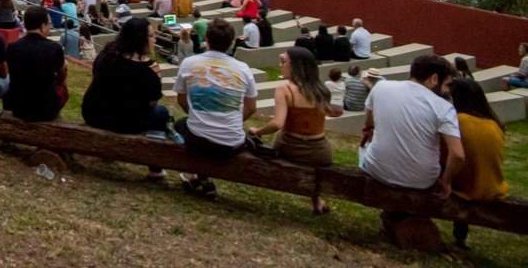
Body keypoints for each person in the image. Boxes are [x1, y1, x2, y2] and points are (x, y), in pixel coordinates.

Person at [359, 54, 462, 207]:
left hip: (377, 170)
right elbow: (458, 155)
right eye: (447, 84)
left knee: (363, 148)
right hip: (422, 181)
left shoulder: (380, 87)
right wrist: (446, 182)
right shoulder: (444, 108)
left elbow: (368, 122)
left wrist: (368, 130)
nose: (448, 90)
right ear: (434, 79)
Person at [173, 19, 258, 197]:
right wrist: (229, 121)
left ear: (206, 39)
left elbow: (181, 100)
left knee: (180, 125)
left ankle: (195, 175)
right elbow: (251, 108)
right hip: (232, 142)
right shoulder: (243, 69)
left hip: (198, 139)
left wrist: (198, 116)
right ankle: (200, 178)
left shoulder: (189, 63)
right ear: (232, 42)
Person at [82, 17, 174, 178]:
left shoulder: (106, 55)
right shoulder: (150, 69)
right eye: (151, 36)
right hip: (126, 123)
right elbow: (152, 103)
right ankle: (155, 168)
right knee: (161, 112)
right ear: (141, 40)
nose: (155, 39)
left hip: (94, 113)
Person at [252, 47, 340, 213]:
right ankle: (317, 201)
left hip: (290, 146)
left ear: (296, 66)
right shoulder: (321, 91)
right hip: (320, 151)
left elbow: (277, 123)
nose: (280, 65)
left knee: (277, 136)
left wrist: (258, 131)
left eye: (283, 61)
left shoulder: (284, 89)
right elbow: (330, 112)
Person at [445, 76, 507, 249]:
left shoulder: (457, 121)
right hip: (492, 186)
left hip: (466, 189)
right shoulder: (494, 124)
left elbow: (451, 156)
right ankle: (460, 238)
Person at [4, 5, 66, 122]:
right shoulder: (54, 48)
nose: (50, 26)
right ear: (43, 26)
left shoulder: (12, 47)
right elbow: (61, 76)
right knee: (62, 88)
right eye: (49, 24)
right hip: (45, 109)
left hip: (18, 107)